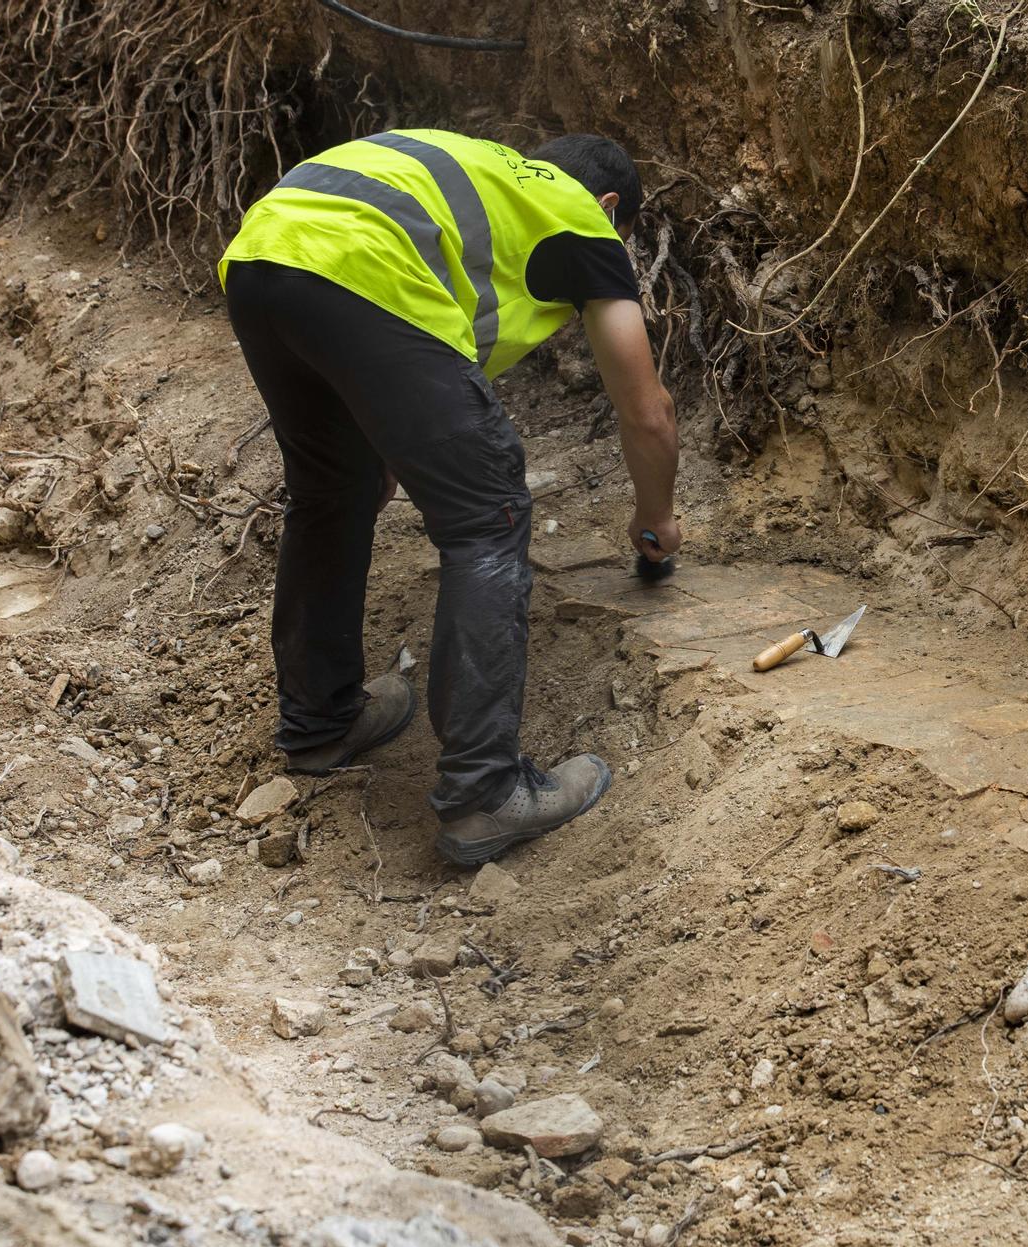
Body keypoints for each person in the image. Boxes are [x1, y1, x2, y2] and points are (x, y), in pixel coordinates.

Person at [217, 130, 680, 865]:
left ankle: (322, 723)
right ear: (610, 203)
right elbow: (646, 410)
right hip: (364, 271)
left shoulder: (480, 169)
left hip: (261, 252)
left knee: (334, 490)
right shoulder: (584, 219)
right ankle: (484, 795)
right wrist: (656, 516)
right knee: (488, 515)